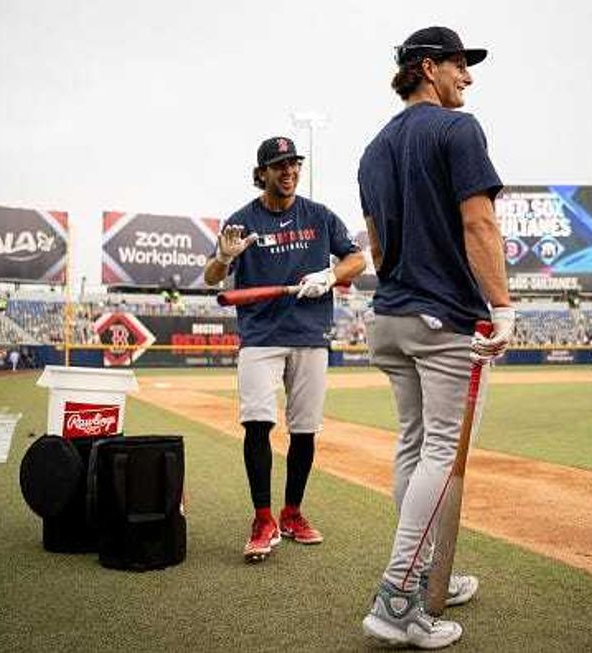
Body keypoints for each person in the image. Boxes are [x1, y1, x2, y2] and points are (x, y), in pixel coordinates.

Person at [357, 26, 514, 649]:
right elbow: (479, 222)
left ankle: (421, 579)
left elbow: (374, 245)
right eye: (459, 65)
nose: (468, 77)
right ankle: (398, 599)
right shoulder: (458, 129)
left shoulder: (371, 148)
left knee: (415, 448)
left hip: (389, 315)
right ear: (429, 67)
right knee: (441, 456)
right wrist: (501, 304)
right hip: (440, 317)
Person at [204, 136, 365, 563]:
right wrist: (223, 258)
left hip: (310, 335)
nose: (289, 171)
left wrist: (330, 276)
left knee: (304, 430)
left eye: (293, 164)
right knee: (257, 424)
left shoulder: (319, 215)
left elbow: (357, 260)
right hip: (260, 337)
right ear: (262, 173)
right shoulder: (241, 220)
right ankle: (262, 519)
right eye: (279, 166)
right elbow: (210, 276)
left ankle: (291, 513)